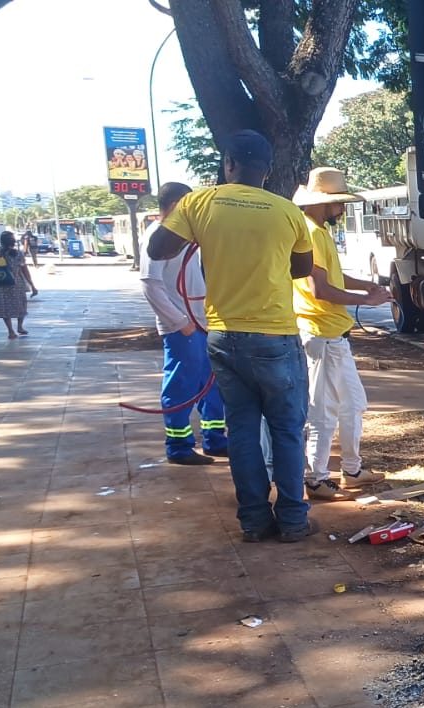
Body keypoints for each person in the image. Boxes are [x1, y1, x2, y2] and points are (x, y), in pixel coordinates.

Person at [148, 129, 316, 543]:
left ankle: (254, 521)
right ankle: (293, 520)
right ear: (268, 169)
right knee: (287, 429)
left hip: (224, 335)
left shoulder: (199, 202)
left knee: (241, 428)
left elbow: (157, 249)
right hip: (276, 336)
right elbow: (301, 269)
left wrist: (197, 227)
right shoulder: (287, 212)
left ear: (228, 164)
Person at [291, 167, 390, 501]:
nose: (343, 209)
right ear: (325, 203)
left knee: (351, 404)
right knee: (323, 411)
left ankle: (351, 470)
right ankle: (317, 478)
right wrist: (367, 298)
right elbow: (320, 289)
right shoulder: (311, 233)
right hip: (321, 333)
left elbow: (332, 277)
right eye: (339, 203)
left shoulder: (316, 230)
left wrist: (366, 286)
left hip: (330, 332)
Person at [139, 183, 228, 466]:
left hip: (202, 322)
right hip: (182, 327)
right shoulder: (157, 236)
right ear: (178, 204)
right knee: (182, 384)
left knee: (211, 384)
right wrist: (179, 322)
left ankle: (215, 439)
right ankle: (178, 446)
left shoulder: (186, 236)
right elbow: (150, 285)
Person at [0, 231, 38, 339]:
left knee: (5, 308)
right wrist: (32, 285)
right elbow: (24, 270)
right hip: (16, 283)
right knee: (21, 305)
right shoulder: (18, 253)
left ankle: (11, 331)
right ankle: (20, 327)